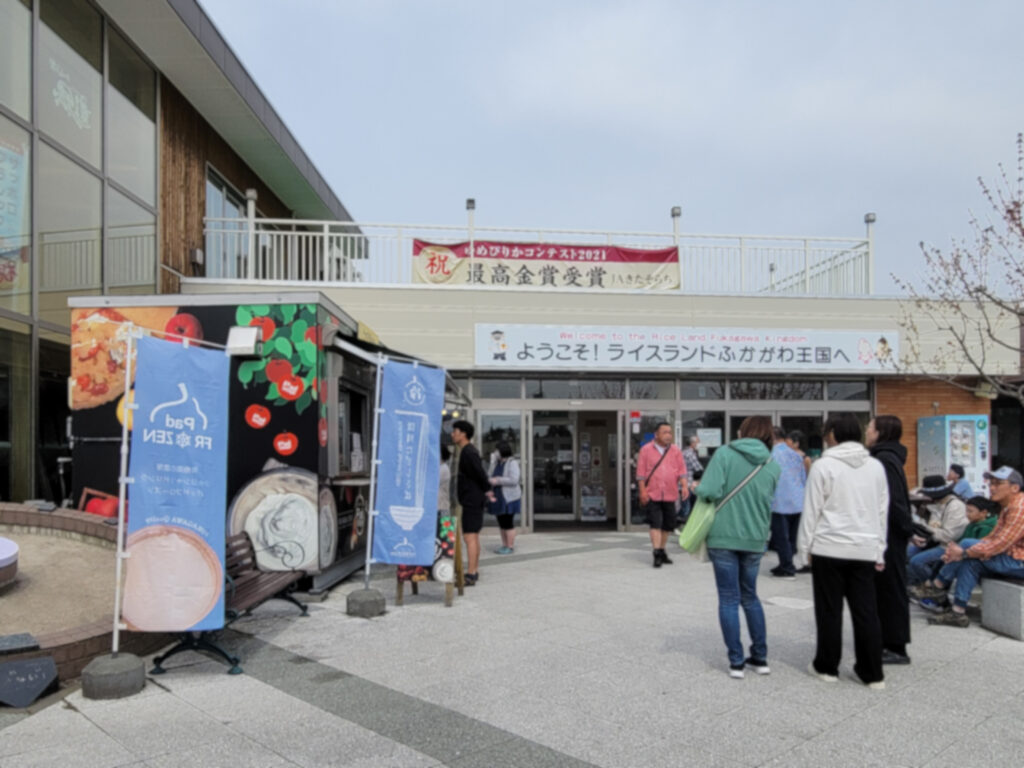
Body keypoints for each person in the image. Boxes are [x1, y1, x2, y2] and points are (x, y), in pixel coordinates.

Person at [798, 413, 889, 690]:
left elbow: (812, 510)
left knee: (829, 610)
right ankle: (872, 672)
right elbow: (881, 510)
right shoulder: (875, 467)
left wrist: (804, 550)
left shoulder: (824, 466)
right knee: (866, 612)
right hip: (864, 547)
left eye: (827, 432)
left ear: (834, 434)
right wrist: (879, 549)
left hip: (829, 546)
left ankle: (827, 666)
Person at [697, 415, 780, 679]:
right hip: (755, 537)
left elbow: (708, 490)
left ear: (743, 431)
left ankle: (735, 662)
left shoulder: (724, 454)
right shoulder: (772, 463)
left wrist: (698, 488)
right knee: (750, 597)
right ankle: (760, 657)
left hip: (723, 535)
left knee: (729, 598)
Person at [916, 466, 1024, 627]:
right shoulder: (1008, 506)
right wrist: (959, 553)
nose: (991, 487)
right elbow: (992, 537)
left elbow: (1001, 543)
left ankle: (937, 587)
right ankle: (957, 612)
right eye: (991, 483)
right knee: (971, 561)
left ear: (1014, 488)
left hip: (1019, 561)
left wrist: (964, 553)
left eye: (998, 484)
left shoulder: (1019, 507)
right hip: (1011, 556)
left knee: (968, 549)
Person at [866, 415, 914, 666]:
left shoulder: (884, 459)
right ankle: (887, 640)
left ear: (880, 432)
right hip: (889, 533)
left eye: (870, 427)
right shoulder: (888, 456)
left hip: (889, 535)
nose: (867, 430)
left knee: (891, 589)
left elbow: (893, 502)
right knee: (885, 589)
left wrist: (908, 528)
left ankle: (896, 646)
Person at [907, 496, 998, 588]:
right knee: (936, 559)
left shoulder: (986, 528)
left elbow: (974, 546)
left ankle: (936, 585)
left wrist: (953, 551)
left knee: (919, 561)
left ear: (983, 513)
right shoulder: (972, 524)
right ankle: (930, 583)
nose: (967, 514)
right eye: (966, 511)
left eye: (970, 511)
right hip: (956, 549)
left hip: (970, 556)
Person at [636, 422, 689, 568]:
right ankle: (656, 553)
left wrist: (684, 486)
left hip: (670, 494)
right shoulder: (646, 450)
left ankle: (662, 549)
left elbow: (682, 470)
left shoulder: (675, 451)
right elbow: (640, 474)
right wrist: (642, 491)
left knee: (667, 525)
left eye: (670, 433)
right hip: (652, 493)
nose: (668, 435)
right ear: (656, 434)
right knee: (655, 523)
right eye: (665, 432)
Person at [451, 420, 493, 586]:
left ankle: (471, 574)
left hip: (472, 500)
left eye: (455, 431)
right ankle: (473, 571)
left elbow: (480, 474)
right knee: (473, 536)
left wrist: (487, 489)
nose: (452, 434)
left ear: (463, 434)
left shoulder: (469, 452)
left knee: (469, 536)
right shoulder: (467, 451)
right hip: (472, 499)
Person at [769, 426, 806, 580]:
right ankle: (787, 562)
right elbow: (803, 477)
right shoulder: (796, 455)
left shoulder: (771, 456)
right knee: (791, 536)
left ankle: (787, 567)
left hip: (780, 501)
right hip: (797, 500)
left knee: (781, 537)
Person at [909, 475, 968, 558]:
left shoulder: (955, 506)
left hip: (948, 545)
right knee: (906, 554)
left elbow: (948, 536)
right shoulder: (938, 504)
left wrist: (924, 526)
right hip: (934, 541)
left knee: (916, 562)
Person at [488, 441, 521, 554]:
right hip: (498, 497)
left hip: (509, 498)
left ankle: (510, 546)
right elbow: (489, 475)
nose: (495, 453)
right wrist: (492, 463)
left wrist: (498, 480)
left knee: (508, 522)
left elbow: (514, 480)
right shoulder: (496, 463)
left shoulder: (512, 463)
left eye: (496, 450)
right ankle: (504, 545)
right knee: (501, 522)